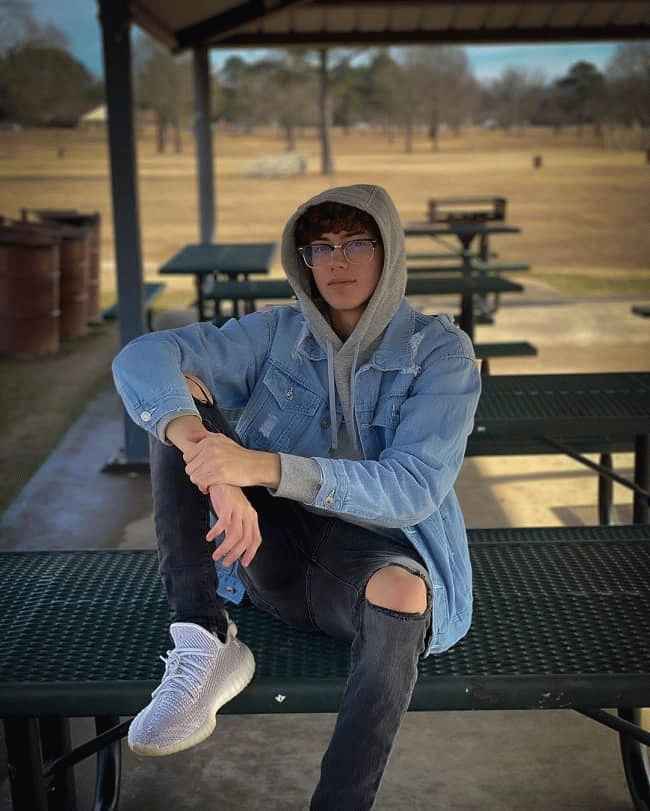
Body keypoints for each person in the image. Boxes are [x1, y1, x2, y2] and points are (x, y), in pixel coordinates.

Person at [111, 183, 481, 810]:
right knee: (179, 402)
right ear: (303, 260)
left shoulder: (440, 353)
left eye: (357, 243)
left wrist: (258, 466)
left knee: (405, 593)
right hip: (267, 547)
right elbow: (144, 355)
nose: (338, 261)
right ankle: (204, 636)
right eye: (321, 248)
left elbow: (414, 487)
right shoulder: (280, 333)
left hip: (374, 560)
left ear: (389, 251)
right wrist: (218, 471)